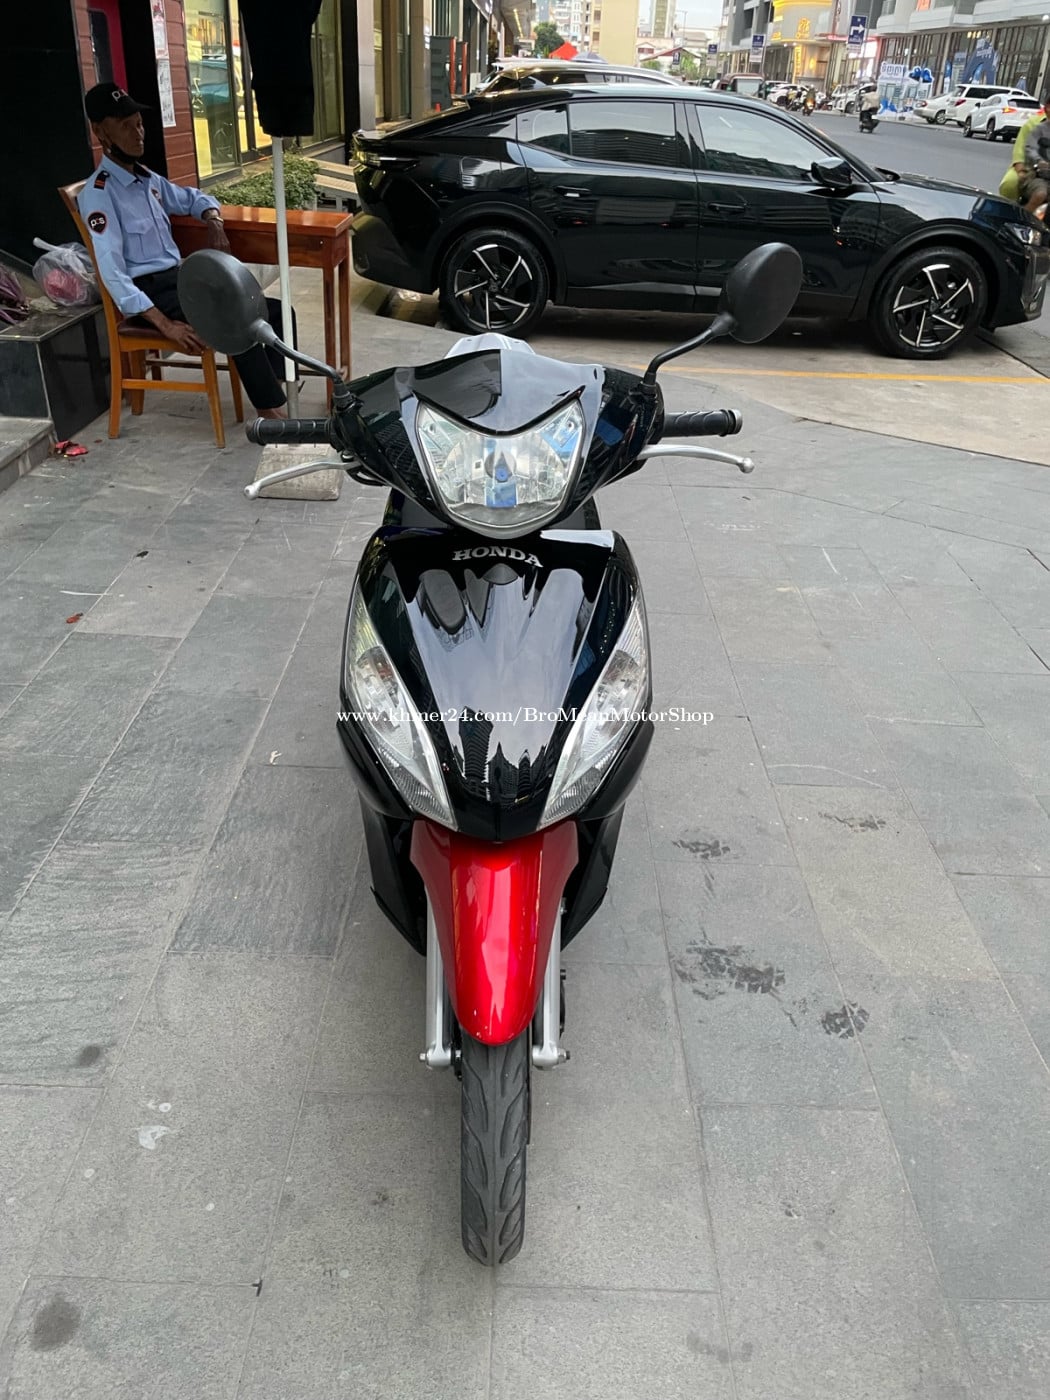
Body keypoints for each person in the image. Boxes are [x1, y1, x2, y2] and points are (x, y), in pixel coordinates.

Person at [78, 83, 290, 418]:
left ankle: (276, 389)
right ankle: (270, 412)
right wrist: (166, 325)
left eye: (139, 124)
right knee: (234, 315)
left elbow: (194, 198)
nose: (138, 133)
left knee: (273, 309)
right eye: (125, 126)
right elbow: (113, 274)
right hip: (150, 292)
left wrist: (213, 220)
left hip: (178, 280)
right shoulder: (99, 194)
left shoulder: (147, 180)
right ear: (100, 132)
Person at [1008, 94, 1050, 214]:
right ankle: (1022, 218)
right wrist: (1039, 161)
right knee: (1039, 194)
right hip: (1039, 175)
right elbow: (1029, 148)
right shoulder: (1038, 128)